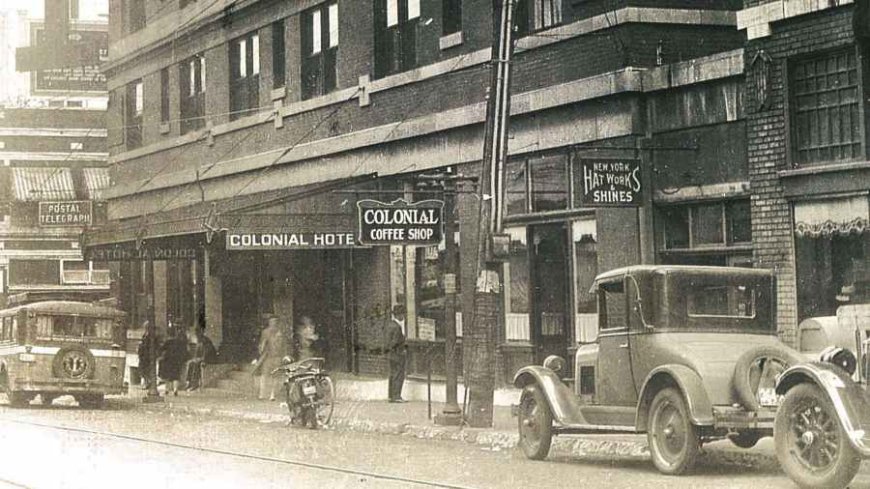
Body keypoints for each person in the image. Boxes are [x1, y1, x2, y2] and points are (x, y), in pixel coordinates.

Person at [253, 316, 286, 401]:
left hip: (277, 356)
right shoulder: (265, 332)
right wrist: (263, 345)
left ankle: (272, 394)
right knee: (264, 375)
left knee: (275, 376)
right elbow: (261, 345)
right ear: (269, 322)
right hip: (268, 356)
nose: (273, 323)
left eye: (275, 322)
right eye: (271, 321)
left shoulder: (280, 333)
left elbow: (282, 346)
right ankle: (262, 394)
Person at [158, 327, 190, 396]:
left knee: (167, 376)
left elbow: (162, 349)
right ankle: (175, 390)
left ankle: (167, 390)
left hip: (168, 360)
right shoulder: (178, 341)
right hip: (176, 360)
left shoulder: (168, 342)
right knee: (175, 375)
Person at [384, 305, 407, 403]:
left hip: (390, 355)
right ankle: (397, 396)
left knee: (392, 374)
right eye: (403, 314)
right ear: (400, 315)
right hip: (398, 354)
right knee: (399, 375)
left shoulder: (389, 325)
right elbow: (395, 342)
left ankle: (391, 396)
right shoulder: (397, 327)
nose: (404, 316)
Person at [137, 323, 154, 390]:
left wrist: (141, 345)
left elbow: (148, 344)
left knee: (145, 369)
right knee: (142, 369)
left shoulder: (150, 335)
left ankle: (148, 382)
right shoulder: (145, 334)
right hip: (143, 354)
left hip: (146, 355)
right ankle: (147, 382)